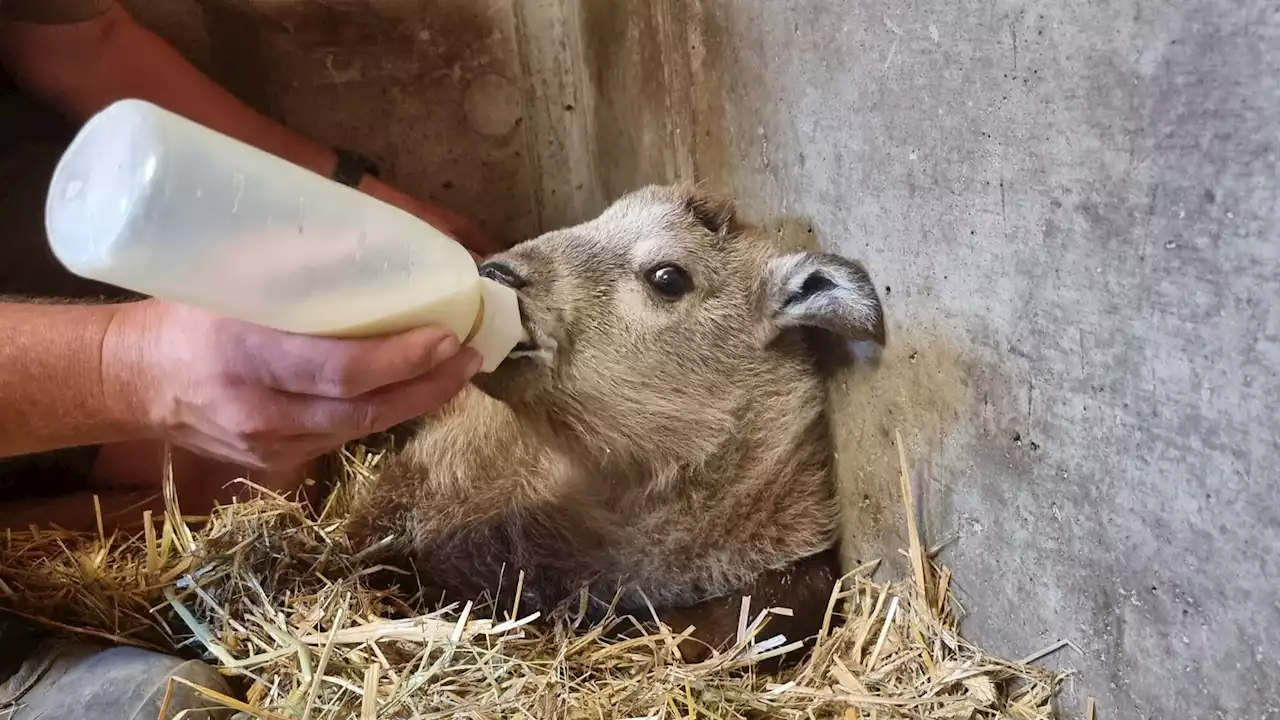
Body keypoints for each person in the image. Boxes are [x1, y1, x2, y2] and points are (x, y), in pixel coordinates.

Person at [0, 2, 497, 717]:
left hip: (54, 211)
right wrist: (130, 367)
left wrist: (355, 197)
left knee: (236, 479)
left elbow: (80, 42)